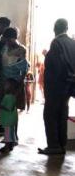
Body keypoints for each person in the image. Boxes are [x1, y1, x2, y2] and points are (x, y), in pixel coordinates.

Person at [39, 19, 75, 155]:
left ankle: (54, 145)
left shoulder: (56, 42)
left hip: (57, 86)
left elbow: (55, 65)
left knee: (50, 115)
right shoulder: (72, 43)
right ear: (67, 28)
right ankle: (62, 144)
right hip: (69, 85)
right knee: (62, 114)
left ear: (55, 28)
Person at [0, 27, 29, 115]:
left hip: (14, 82)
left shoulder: (21, 50)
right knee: (3, 105)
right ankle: (2, 126)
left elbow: (24, 69)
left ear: (14, 38)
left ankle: (11, 128)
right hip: (4, 79)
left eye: (8, 40)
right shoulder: (5, 47)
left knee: (11, 106)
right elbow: (1, 62)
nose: (7, 42)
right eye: (6, 40)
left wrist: (19, 83)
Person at [0, 78, 19, 152]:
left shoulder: (8, 97)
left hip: (8, 118)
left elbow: (9, 108)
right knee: (11, 132)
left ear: (10, 87)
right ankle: (11, 145)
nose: (4, 86)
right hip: (11, 118)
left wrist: (0, 106)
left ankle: (7, 147)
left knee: (7, 133)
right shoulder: (13, 96)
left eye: (6, 85)